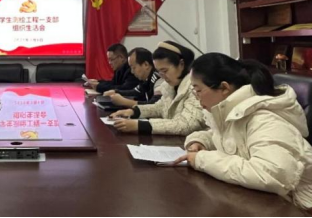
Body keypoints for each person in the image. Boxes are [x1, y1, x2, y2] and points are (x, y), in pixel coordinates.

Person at [175, 53, 312, 211]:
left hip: (299, 207)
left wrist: (202, 159)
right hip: (270, 202)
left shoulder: (265, 119)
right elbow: (228, 138)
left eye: (198, 90)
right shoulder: (235, 112)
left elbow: (270, 175)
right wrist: (200, 141)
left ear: (224, 88)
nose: (197, 98)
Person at [110, 41, 205, 136]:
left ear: (181, 64)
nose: (162, 76)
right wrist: (133, 111)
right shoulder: (170, 86)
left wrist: (140, 125)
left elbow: (186, 124)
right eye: (159, 71)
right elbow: (160, 107)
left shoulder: (195, 87)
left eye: (165, 70)